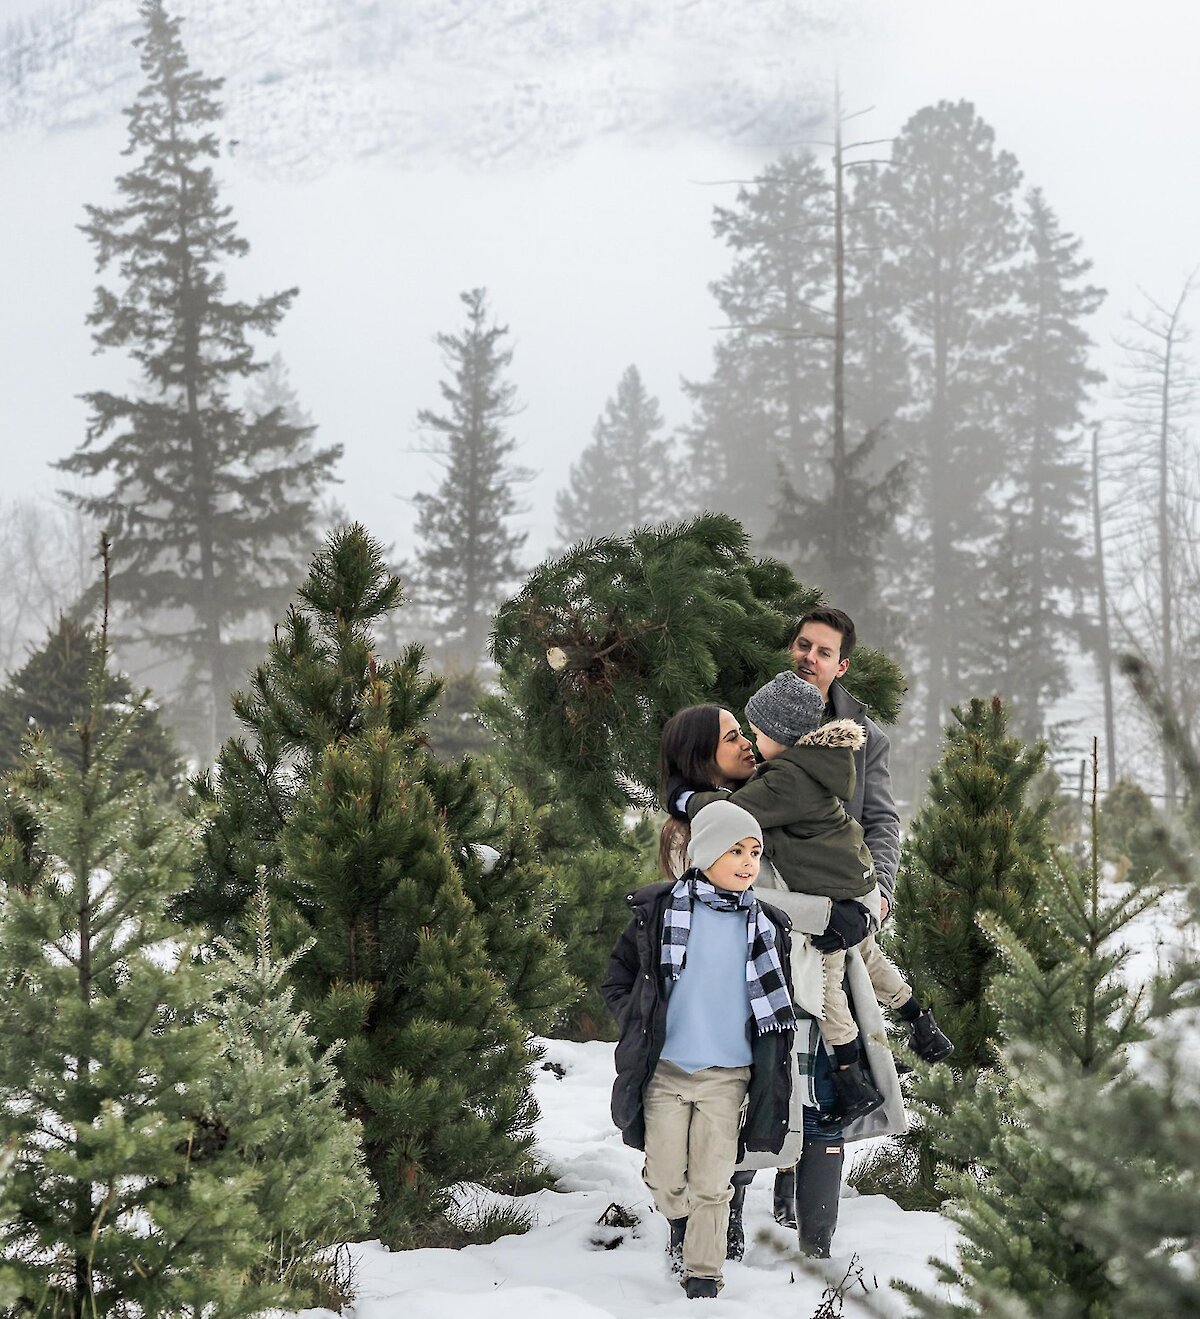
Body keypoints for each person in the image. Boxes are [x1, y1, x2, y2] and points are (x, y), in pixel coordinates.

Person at [656, 705, 905, 1260]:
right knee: (740, 1111)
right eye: (730, 737)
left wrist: (855, 911)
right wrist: (828, 913)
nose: (746, 743)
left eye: (746, 733)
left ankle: (816, 1249)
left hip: (810, 987)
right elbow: (732, 900)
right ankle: (718, 1233)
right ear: (701, 755)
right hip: (739, 997)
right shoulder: (688, 834)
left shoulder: (778, 800)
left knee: (817, 1107)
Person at [683, 670, 953, 1131]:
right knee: (870, 959)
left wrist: (685, 797)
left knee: (829, 994)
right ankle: (921, 1022)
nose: (752, 741)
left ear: (782, 737)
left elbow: (729, 814)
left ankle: (852, 1082)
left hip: (832, 899)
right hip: (856, 885)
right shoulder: (816, 765)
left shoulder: (786, 779)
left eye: (757, 732)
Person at [601, 801, 795, 1299]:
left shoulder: (767, 926)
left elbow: (779, 1006)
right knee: (667, 1178)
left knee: (713, 1181)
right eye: (735, 850)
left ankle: (704, 1276)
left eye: (755, 851)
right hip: (666, 1069)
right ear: (704, 853)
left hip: (727, 1074)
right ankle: (681, 1221)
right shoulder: (659, 912)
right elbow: (619, 977)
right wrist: (636, 1019)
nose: (749, 862)